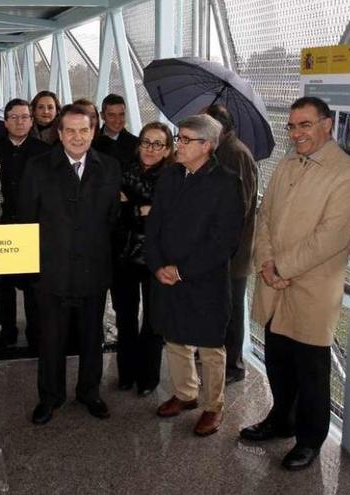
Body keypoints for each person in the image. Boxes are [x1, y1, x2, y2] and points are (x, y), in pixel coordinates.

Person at [240, 96, 350, 470]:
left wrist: (281, 267)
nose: (297, 133)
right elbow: (265, 216)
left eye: (305, 125)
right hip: (274, 281)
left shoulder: (347, 175)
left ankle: (310, 441)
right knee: (278, 362)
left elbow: (331, 237)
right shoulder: (286, 164)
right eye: (292, 126)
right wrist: (266, 261)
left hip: (311, 289)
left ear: (327, 125)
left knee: (312, 371)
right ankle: (281, 420)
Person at [19, 104, 121, 425]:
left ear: (93, 132)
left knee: (93, 338)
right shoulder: (37, 167)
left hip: (94, 271)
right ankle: (50, 397)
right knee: (52, 340)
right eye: (71, 131)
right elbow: (25, 219)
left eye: (84, 130)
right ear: (59, 134)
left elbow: (114, 222)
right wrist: (31, 270)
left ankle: (89, 392)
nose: (78, 137)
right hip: (51, 272)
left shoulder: (110, 168)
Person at [145, 115, 244, 437]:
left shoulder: (227, 182)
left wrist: (182, 270)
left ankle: (213, 407)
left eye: (186, 139)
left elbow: (224, 240)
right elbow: (155, 223)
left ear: (207, 146)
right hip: (166, 274)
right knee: (174, 336)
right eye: (179, 137)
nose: (179, 144)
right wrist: (158, 263)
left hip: (204, 279)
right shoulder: (171, 175)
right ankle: (186, 394)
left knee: (210, 345)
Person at [111, 122, 173, 397]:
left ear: (168, 149)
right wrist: (143, 209)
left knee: (153, 320)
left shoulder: (174, 178)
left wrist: (131, 205)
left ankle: (148, 378)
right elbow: (115, 210)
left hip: (155, 258)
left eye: (157, 144)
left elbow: (167, 218)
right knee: (124, 317)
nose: (150, 148)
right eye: (146, 142)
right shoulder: (123, 169)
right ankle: (126, 374)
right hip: (123, 255)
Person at [202, 104, 258, 385]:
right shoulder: (221, 151)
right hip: (219, 250)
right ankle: (219, 359)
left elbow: (241, 208)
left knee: (232, 310)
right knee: (220, 307)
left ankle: (233, 367)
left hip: (232, 254)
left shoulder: (236, 155)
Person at [0, 98, 51, 350]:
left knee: (34, 285)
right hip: (1, 225)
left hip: (32, 226)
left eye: (24, 117)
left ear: (31, 120)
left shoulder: (44, 151)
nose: (19, 122)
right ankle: (8, 331)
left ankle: (36, 333)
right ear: (5, 122)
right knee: (3, 284)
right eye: (14, 117)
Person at [94, 94, 140, 169]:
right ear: (102, 116)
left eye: (121, 115)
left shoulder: (136, 145)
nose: (117, 120)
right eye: (112, 115)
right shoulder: (91, 141)